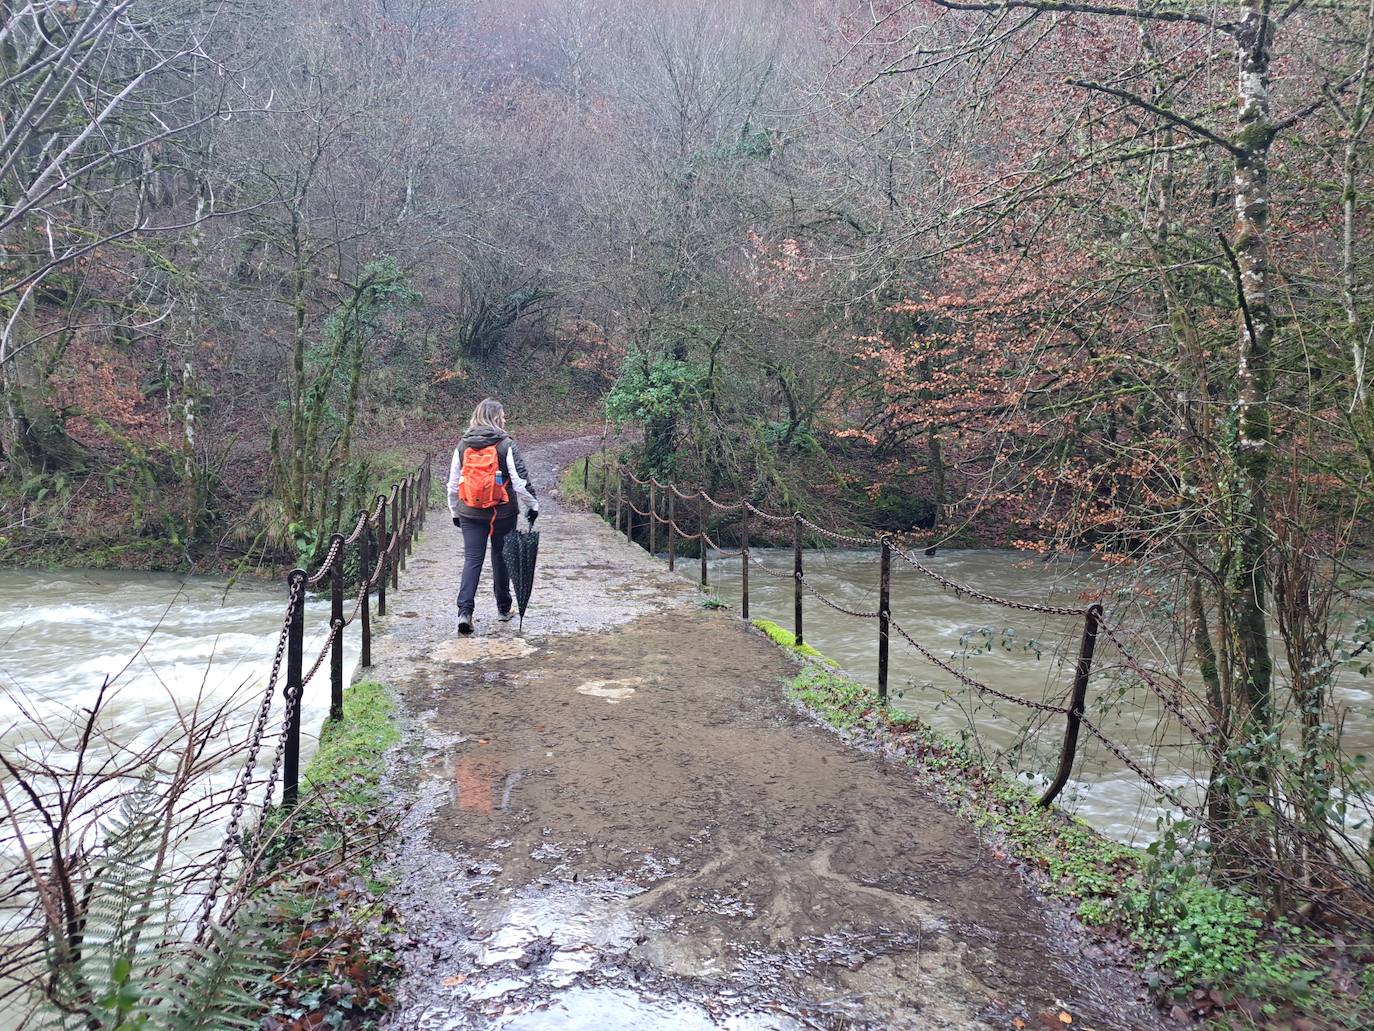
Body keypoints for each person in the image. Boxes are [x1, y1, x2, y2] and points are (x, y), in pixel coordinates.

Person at [447, 398, 539, 635]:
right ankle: (503, 608)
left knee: (472, 560)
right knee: (501, 556)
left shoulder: (463, 445)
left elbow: (453, 483)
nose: (505, 419)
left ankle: (464, 612)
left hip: (470, 511)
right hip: (502, 511)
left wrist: (454, 510)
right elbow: (519, 482)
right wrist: (533, 505)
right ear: (496, 418)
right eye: (503, 416)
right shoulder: (505, 444)